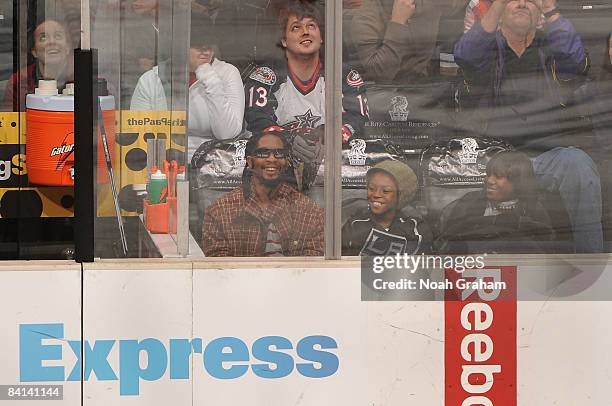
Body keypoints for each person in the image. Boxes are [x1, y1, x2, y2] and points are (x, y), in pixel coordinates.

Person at [453, 0, 603, 253]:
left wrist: (550, 9)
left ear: (539, 14)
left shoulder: (550, 48)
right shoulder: (489, 48)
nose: (522, 3)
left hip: (544, 158)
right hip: (492, 156)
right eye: (514, 0)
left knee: (579, 163)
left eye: (531, 1)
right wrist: (499, 4)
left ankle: (590, 267)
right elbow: (465, 55)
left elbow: (576, 61)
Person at [244, 0, 369, 190]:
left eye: (311, 26)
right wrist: (287, 140)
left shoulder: (342, 76)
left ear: (321, 37)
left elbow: (358, 117)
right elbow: (258, 121)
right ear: (284, 40)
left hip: (331, 169)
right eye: (296, 27)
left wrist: (333, 133)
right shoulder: (267, 76)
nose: (305, 32)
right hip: (279, 169)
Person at [130, 20, 245, 160]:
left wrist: (210, 79)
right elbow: (139, 134)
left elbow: (227, 133)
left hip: (213, 164)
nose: (206, 52)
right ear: (180, 47)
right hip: (162, 161)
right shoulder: (151, 79)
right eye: (199, 47)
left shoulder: (228, 73)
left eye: (209, 47)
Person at [202, 131, 324, 257]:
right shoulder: (219, 212)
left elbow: (311, 269)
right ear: (249, 161)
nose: (272, 159)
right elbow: (219, 270)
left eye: (279, 154)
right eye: (263, 153)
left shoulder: (311, 212)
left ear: (287, 162)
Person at [437, 151, 554, 253]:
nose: (489, 180)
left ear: (517, 182)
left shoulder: (533, 210)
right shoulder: (469, 202)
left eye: (498, 176)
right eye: (488, 174)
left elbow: (544, 254)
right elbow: (448, 244)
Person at [350, 0, 469, 84]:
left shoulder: (431, 4)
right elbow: (381, 74)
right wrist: (398, 22)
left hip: (426, 92)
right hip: (382, 99)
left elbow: (457, 7)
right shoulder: (367, 16)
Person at [342, 160, 432, 255]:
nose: (376, 194)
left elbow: (426, 266)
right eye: (371, 188)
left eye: (386, 191)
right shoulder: (354, 226)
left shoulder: (416, 229)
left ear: (401, 195)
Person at [3, 19, 73, 111]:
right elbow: (9, 120)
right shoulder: (19, 81)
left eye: (58, 36)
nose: (52, 42)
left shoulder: (83, 76)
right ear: (34, 51)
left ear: (68, 47)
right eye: (43, 38)